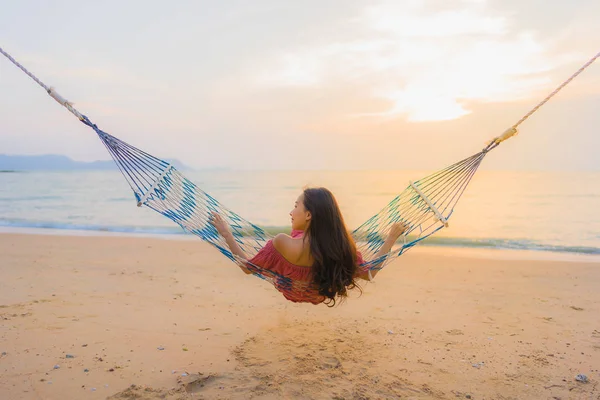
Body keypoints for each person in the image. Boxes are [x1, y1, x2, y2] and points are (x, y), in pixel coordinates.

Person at [210, 187, 407, 306]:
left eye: (296, 206)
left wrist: (227, 234)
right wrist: (391, 238)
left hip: (290, 288)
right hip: (319, 292)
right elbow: (369, 273)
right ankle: (310, 233)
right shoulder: (340, 249)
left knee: (297, 236)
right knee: (306, 236)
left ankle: (306, 234)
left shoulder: (282, 242)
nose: (290, 211)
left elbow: (247, 268)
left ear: (309, 214)